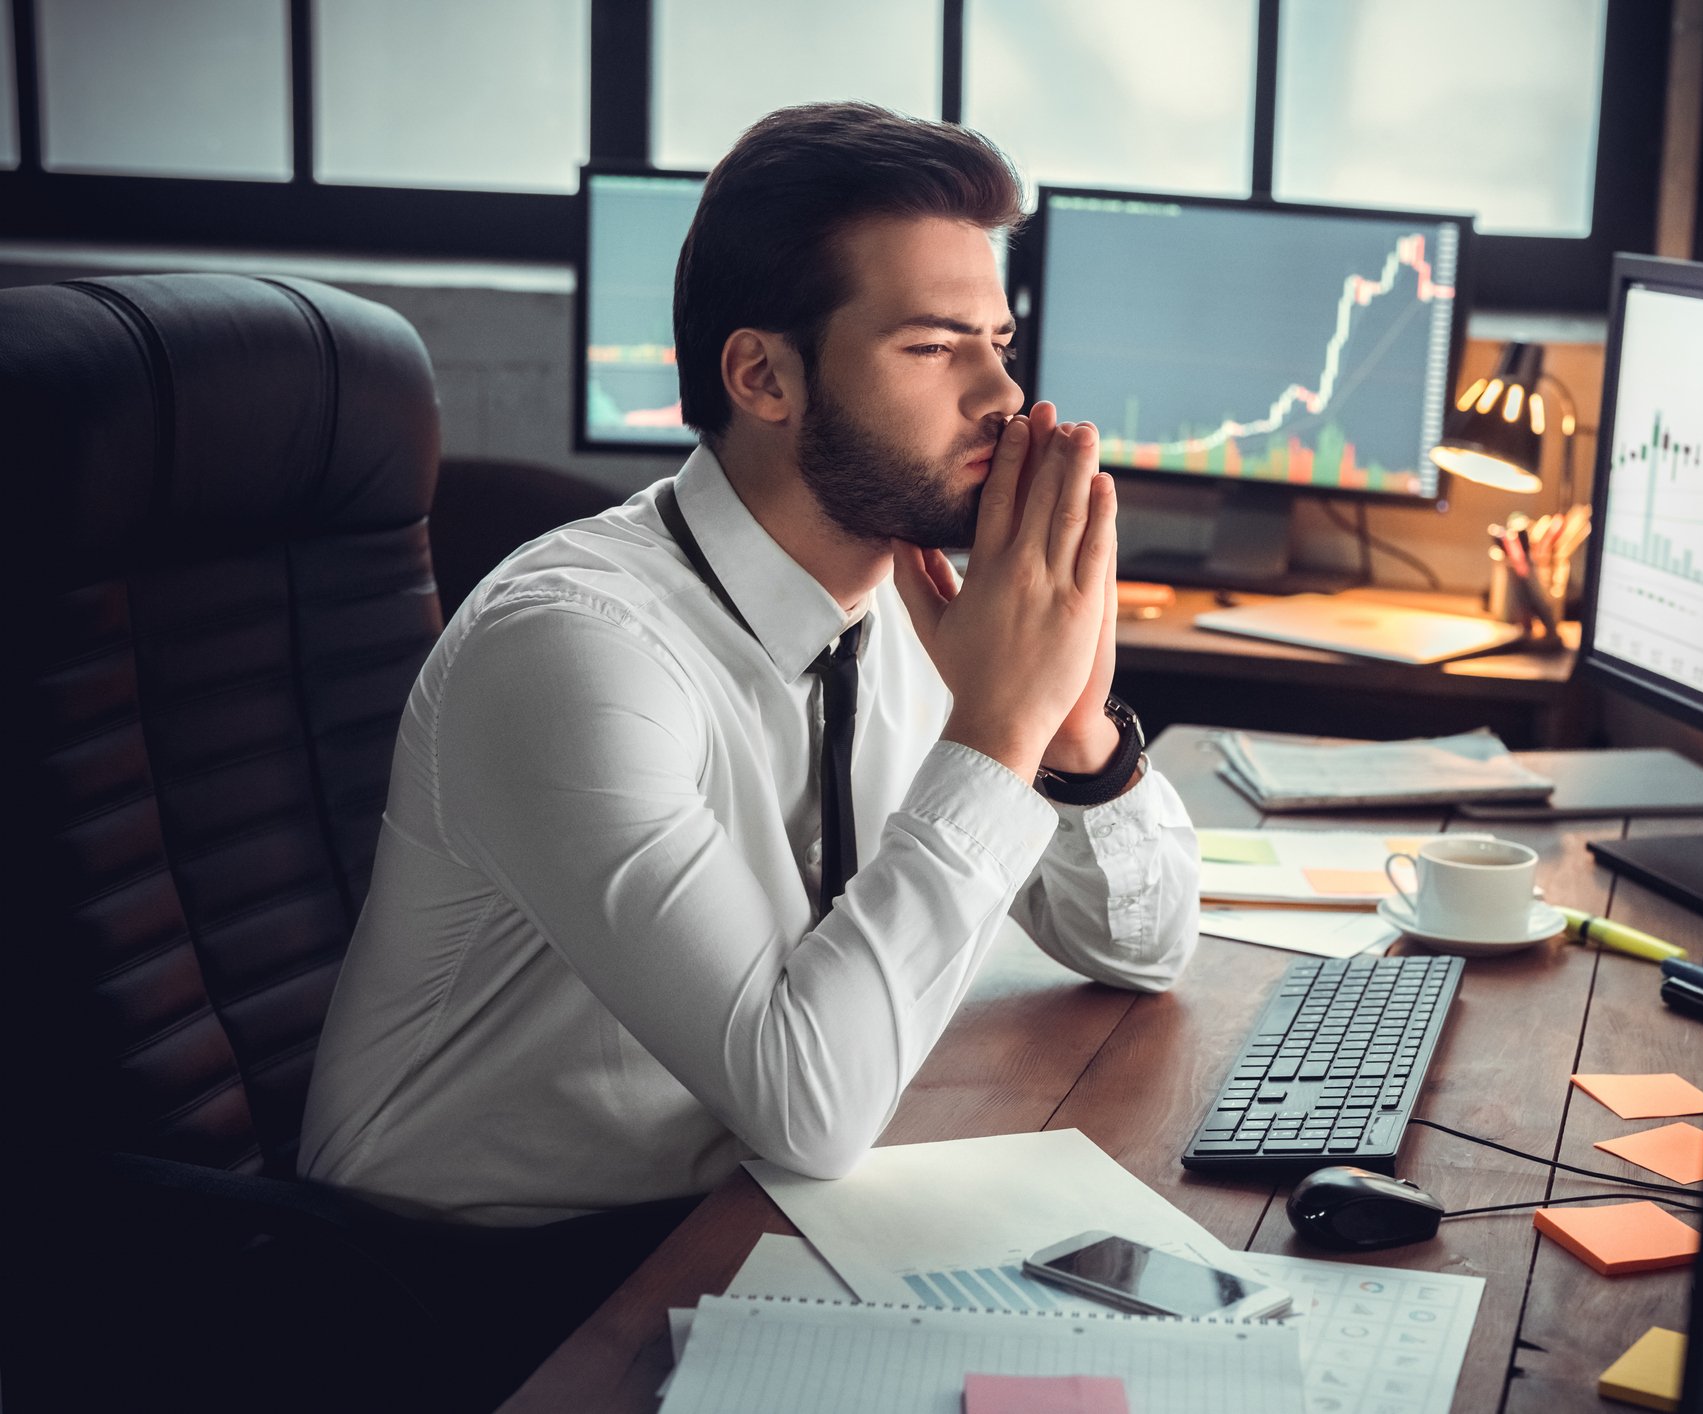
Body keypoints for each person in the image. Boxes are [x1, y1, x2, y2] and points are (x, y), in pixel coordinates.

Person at [297, 102, 1201, 1236]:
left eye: (999, 346)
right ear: (763, 377)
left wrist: (1071, 733)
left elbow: (1146, 948)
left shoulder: (913, 613)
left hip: (747, 1214)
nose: (1002, 399)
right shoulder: (571, 648)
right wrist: (996, 730)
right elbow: (807, 1105)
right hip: (473, 1278)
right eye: (932, 346)